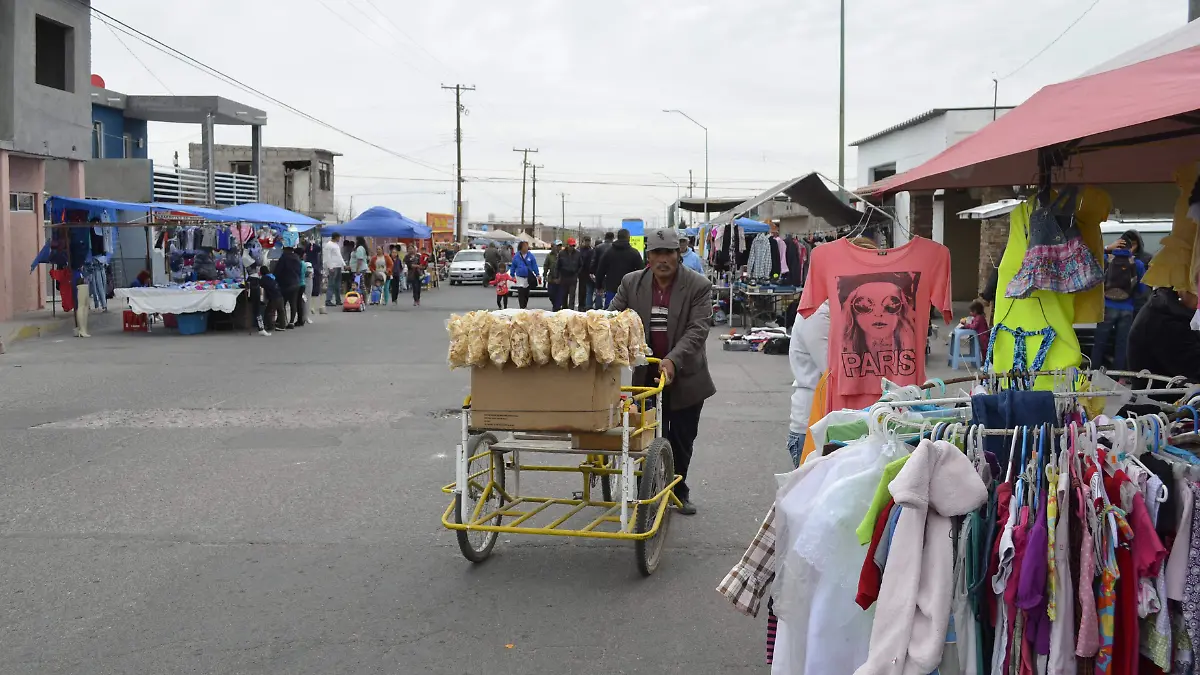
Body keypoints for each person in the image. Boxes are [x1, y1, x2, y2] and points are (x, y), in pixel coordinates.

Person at [610, 228, 715, 515]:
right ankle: (647, 490)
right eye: (657, 253)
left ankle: (678, 490)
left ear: (679, 254)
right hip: (646, 377)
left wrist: (672, 360)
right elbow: (614, 317)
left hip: (686, 375)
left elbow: (698, 329)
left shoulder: (698, 285)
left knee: (681, 439)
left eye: (669, 252)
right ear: (649, 256)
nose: (663, 259)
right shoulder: (632, 283)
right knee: (645, 436)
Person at [1092, 234, 1147, 370]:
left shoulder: (1106, 259)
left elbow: (1091, 262)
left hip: (1107, 307)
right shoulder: (1137, 264)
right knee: (1122, 344)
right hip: (1127, 308)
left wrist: (1107, 249)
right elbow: (1142, 289)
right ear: (1130, 248)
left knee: (1099, 342)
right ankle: (1118, 377)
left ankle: (1092, 374)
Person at [1128, 284, 1200, 383]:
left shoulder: (1171, 307)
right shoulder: (1167, 319)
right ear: (1184, 290)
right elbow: (1193, 368)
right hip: (1162, 395)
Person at [788, 301, 830, 468]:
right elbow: (835, 372)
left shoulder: (827, 311)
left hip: (823, 421)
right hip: (812, 425)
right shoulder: (816, 313)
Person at [595, 228, 644, 309]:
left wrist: (599, 286)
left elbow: (600, 270)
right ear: (628, 238)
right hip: (630, 289)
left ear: (617, 237)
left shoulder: (608, 252)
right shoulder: (634, 253)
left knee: (610, 315)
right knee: (628, 315)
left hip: (611, 288)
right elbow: (642, 271)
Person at [274, 246, 303, 330]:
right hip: (296, 283)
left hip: (285, 284)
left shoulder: (283, 258)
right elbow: (299, 271)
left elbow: (278, 271)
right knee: (293, 303)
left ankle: (281, 322)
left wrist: (274, 278)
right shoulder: (297, 258)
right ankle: (291, 322)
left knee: (282, 303)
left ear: (285, 250)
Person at [509, 241, 541, 310]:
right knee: (521, 292)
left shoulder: (530, 256)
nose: (526, 247)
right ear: (521, 247)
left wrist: (537, 274)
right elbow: (513, 266)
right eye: (525, 246)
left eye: (527, 246)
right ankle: (522, 306)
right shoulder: (516, 256)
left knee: (526, 292)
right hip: (520, 277)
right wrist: (512, 275)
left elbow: (534, 265)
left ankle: (525, 305)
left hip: (528, 277)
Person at [590, 231, 614, 308]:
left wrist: (592, 271)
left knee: (599, 290)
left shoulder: (598, 247)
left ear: (605, 237)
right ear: (613, 238)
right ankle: (608, 308)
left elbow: (594, 261)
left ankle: (598, 307)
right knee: (610, 292)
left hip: (599, 272)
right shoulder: (614, 247)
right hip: (611, 273)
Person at [556, 238, 582, 311]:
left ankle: (571, 311)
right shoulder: (561, 253)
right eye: (571, 245)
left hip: (573, 277)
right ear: (567, 245)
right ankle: (564, 309)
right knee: (564, 295)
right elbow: (558, 265)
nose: (572, 247)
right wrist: (558, 276)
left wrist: (577, 273)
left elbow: (581, 265)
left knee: (572, 296)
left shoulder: (578, 253)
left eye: (573, 245)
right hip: (564, 277)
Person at [258, 265, 283, 336]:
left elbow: (260, 285)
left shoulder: (264, 279)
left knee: (268, 312)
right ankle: (282, 325)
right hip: (280, 295)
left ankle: (270, 326)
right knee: (281, 311)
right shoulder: (272, 276)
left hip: (273, 297)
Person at [323, 233, 345, 307]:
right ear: (336, 237)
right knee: (331, 284)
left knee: (337, 284)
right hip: (333, 266)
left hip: (338, 266)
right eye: (339, 237)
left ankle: (338, 300)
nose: (339, 239)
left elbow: (339, 256)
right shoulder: (329, 245)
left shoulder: (336, 245)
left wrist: (344, 264)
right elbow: (327, 256)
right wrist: (330, 266)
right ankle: (328, 300)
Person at [577, 236, 595, 310]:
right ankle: (581, 305)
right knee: (582, 290)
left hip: (589, 273)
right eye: (586, 241)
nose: (587, 243)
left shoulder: (591, 250)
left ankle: (586, 304)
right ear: (583, 241)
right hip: (582, 273)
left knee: (588, 291)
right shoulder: (579, 250)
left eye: (588, 241)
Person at [545, 241, 562, 311]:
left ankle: (557, 308)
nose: (558, 247)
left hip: (561, 278)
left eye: (560, 246)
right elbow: (546, 265)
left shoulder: (563, 254)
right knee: (551, 294)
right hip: (551, 278)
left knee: (559, 295)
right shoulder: (549, 256)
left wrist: (560, 278)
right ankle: (555, 305)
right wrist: (545, 275)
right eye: (557, 246)